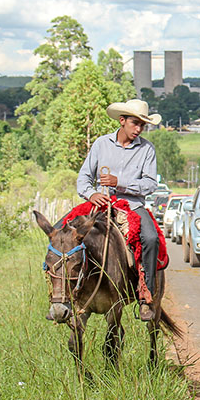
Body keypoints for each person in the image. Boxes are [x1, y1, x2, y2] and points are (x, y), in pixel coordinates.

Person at [76, 99, 161, 321]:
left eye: (142, 125)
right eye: (135, 123)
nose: (139, 129)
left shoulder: (147, 149)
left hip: (132, 206)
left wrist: (120, 183)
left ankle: (146, 295)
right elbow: (83, 178)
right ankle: (63, 292)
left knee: (151, 238)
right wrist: (91, 194)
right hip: (101, 203)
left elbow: (150, 184)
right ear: (122, 120)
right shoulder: (101, 144)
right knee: (64, 230)